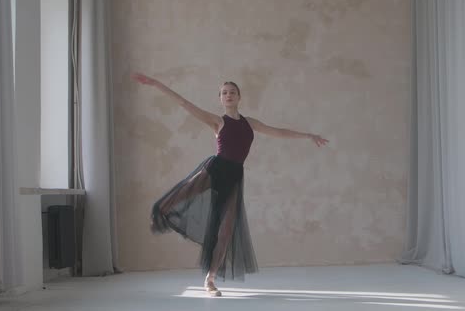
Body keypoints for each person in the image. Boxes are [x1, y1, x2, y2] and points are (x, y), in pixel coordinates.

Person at [131, 72, 329, 297]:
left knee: (225, 232)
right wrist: (157, 84)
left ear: (239, 97)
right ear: (220, 98)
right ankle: (160, 212)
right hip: (215, 170)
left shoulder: (249, 123)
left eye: (232, 92)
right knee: (179, 196)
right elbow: (185, 103)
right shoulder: (218, 121)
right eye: (224, 93)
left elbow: (278, 132)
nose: (228, 95)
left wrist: (308, 135)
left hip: (234, 176)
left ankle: (210, 279)